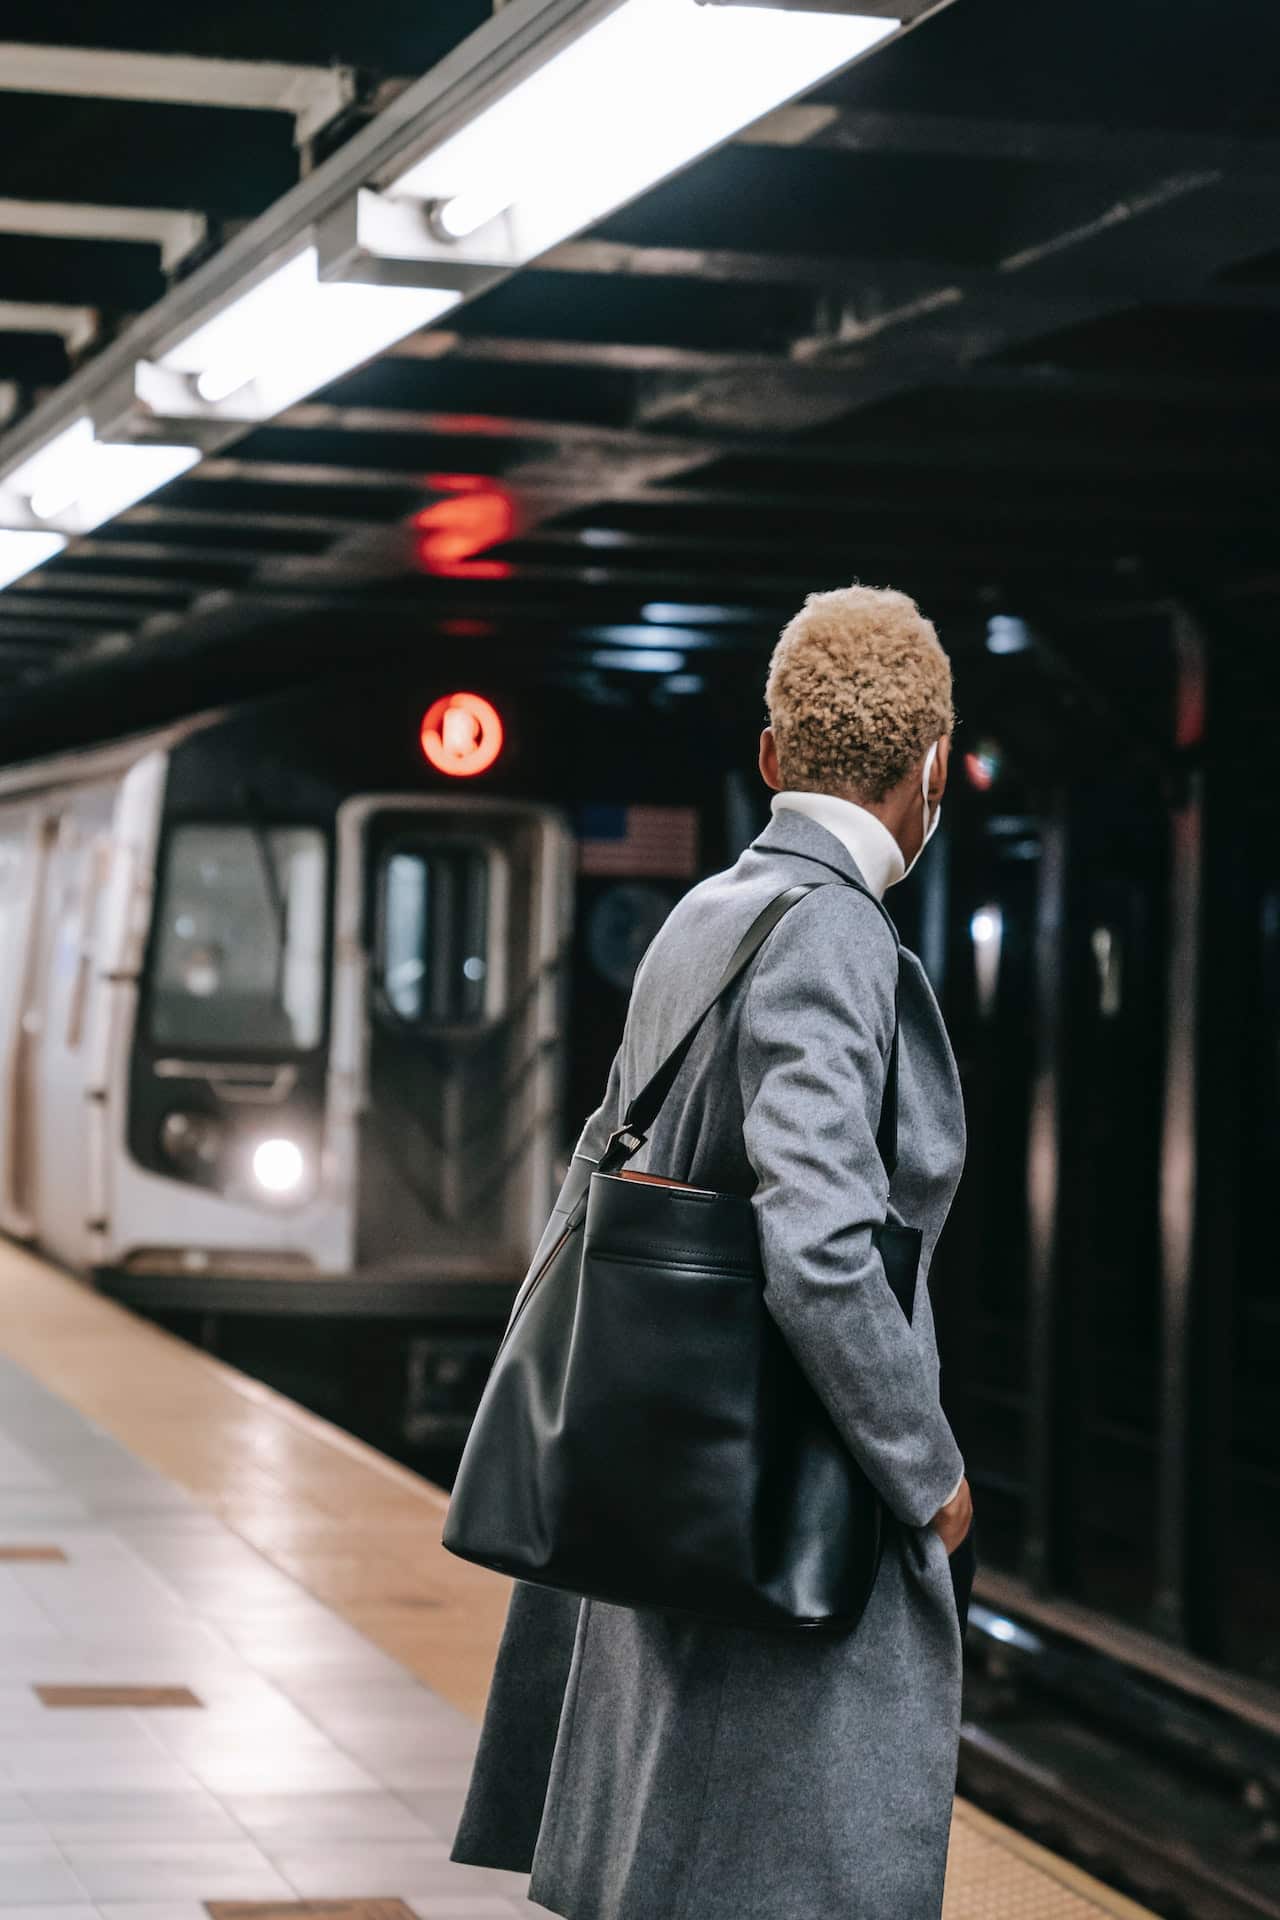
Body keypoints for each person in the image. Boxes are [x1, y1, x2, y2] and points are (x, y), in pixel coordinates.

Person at [452, 583, 976, 1920]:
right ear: (928, 769)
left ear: (770, 759)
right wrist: (924, 1469)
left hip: (664, 1465)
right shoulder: (836, 936)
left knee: (672, 1852)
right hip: (776, 1490)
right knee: (794, 1868)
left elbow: (595, 1169)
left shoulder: (711, 911)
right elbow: (817, 1240)